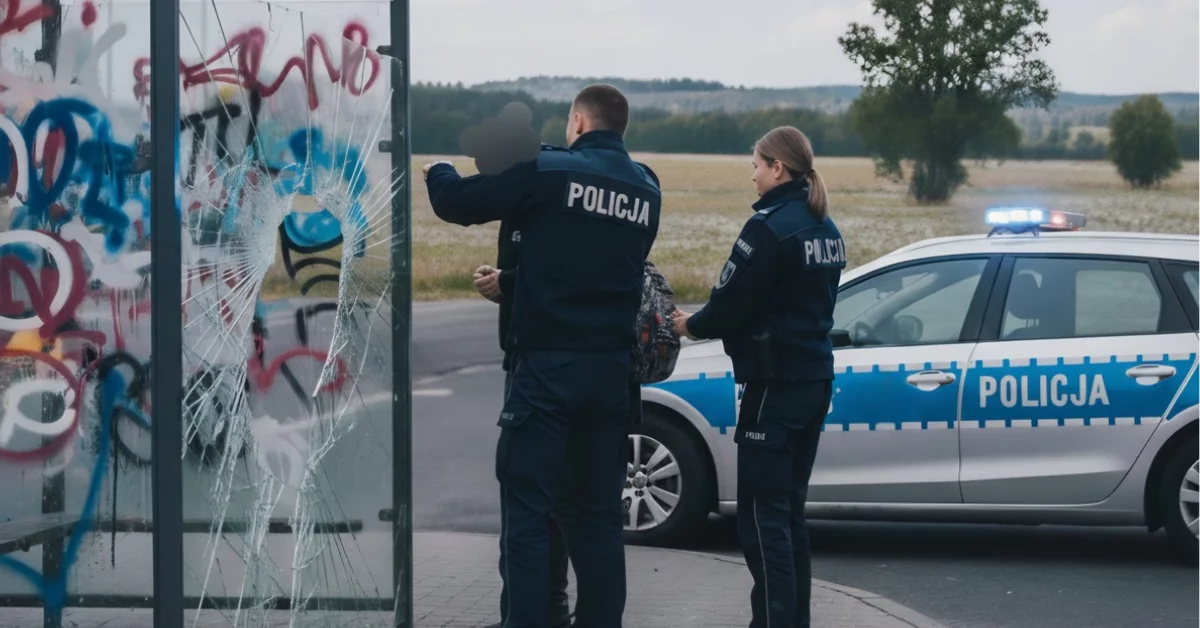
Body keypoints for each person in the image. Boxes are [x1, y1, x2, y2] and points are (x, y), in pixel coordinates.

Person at [424, 83, 661, 628]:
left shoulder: (549, 171)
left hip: (547, 371)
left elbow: (457, 203)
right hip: (610, 377)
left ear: (578, 121)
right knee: (598, 518)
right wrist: (518, 281)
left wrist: (438, 168)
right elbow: (593, 266)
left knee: (528, 510)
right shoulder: (646, 188)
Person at [672, 126, 844, 628]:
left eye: (756, 166)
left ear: (777, 168)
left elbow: (730, 303)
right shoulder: (825, 227)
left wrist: (690, 326)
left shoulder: (768, 228)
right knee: (788, 516)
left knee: (760, 519)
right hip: (813, 379)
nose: (753, 176)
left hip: (774, 386)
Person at [472, 187, 572, 628]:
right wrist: (501, 283)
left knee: (529, 504)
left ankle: (535, 613)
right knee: (543, 504)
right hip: (527, 355)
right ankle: (545, 609)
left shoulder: (546, 199)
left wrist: (508, 282)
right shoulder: (523, 205)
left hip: (538, 364)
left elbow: (560, 274)